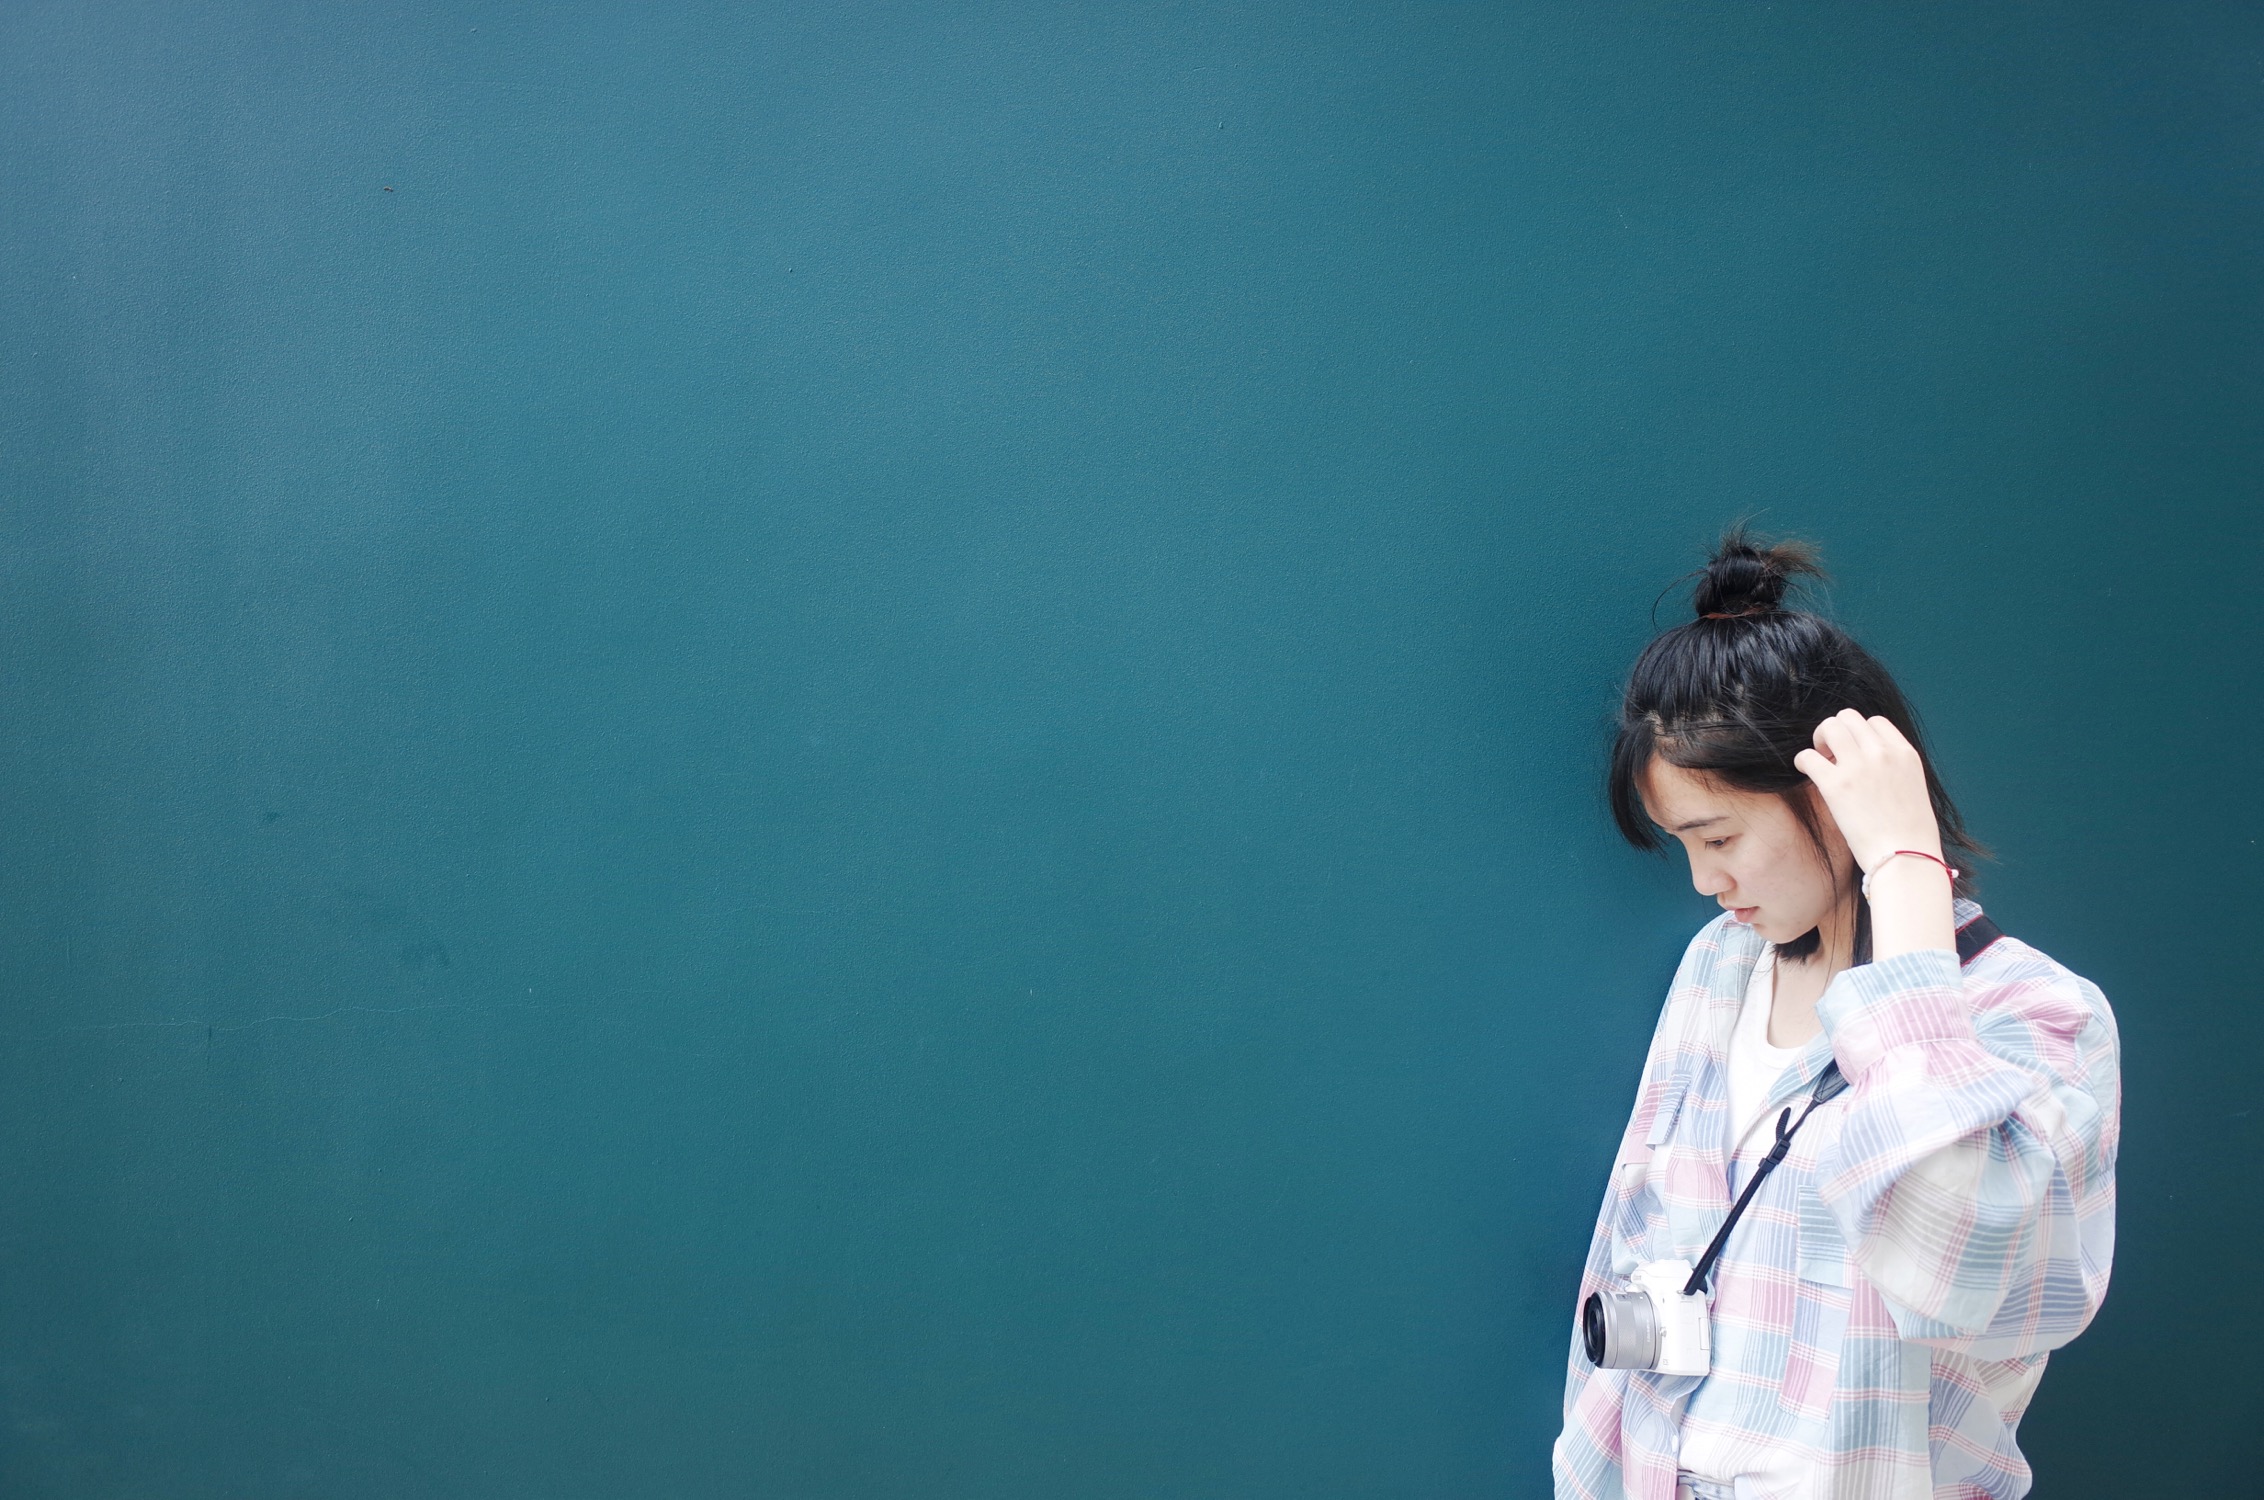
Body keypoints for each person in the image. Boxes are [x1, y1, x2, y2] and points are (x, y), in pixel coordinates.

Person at [1551, 531, 2120, 1500]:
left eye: (1718, 837)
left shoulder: (2035, 1014)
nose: (1703, 882)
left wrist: (1904, 867)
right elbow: (1631, 1241)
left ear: (1830, 799)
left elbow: (1957, 1266)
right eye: (1681, 845)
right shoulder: (1719, 966)